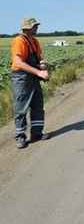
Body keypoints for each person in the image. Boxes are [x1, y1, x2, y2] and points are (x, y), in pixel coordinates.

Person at [10, 17, 50, 149]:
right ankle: (20, 137)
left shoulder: (34, 41)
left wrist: (42, 64)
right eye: (34, 26)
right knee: (21, 108)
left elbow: (39, 57)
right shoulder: (19, 41)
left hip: (32, 76)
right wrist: (39, 73)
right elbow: (19, 63)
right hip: (21, 78)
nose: (36, 28)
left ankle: (37, 133)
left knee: (38, 105)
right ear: (27, 27)